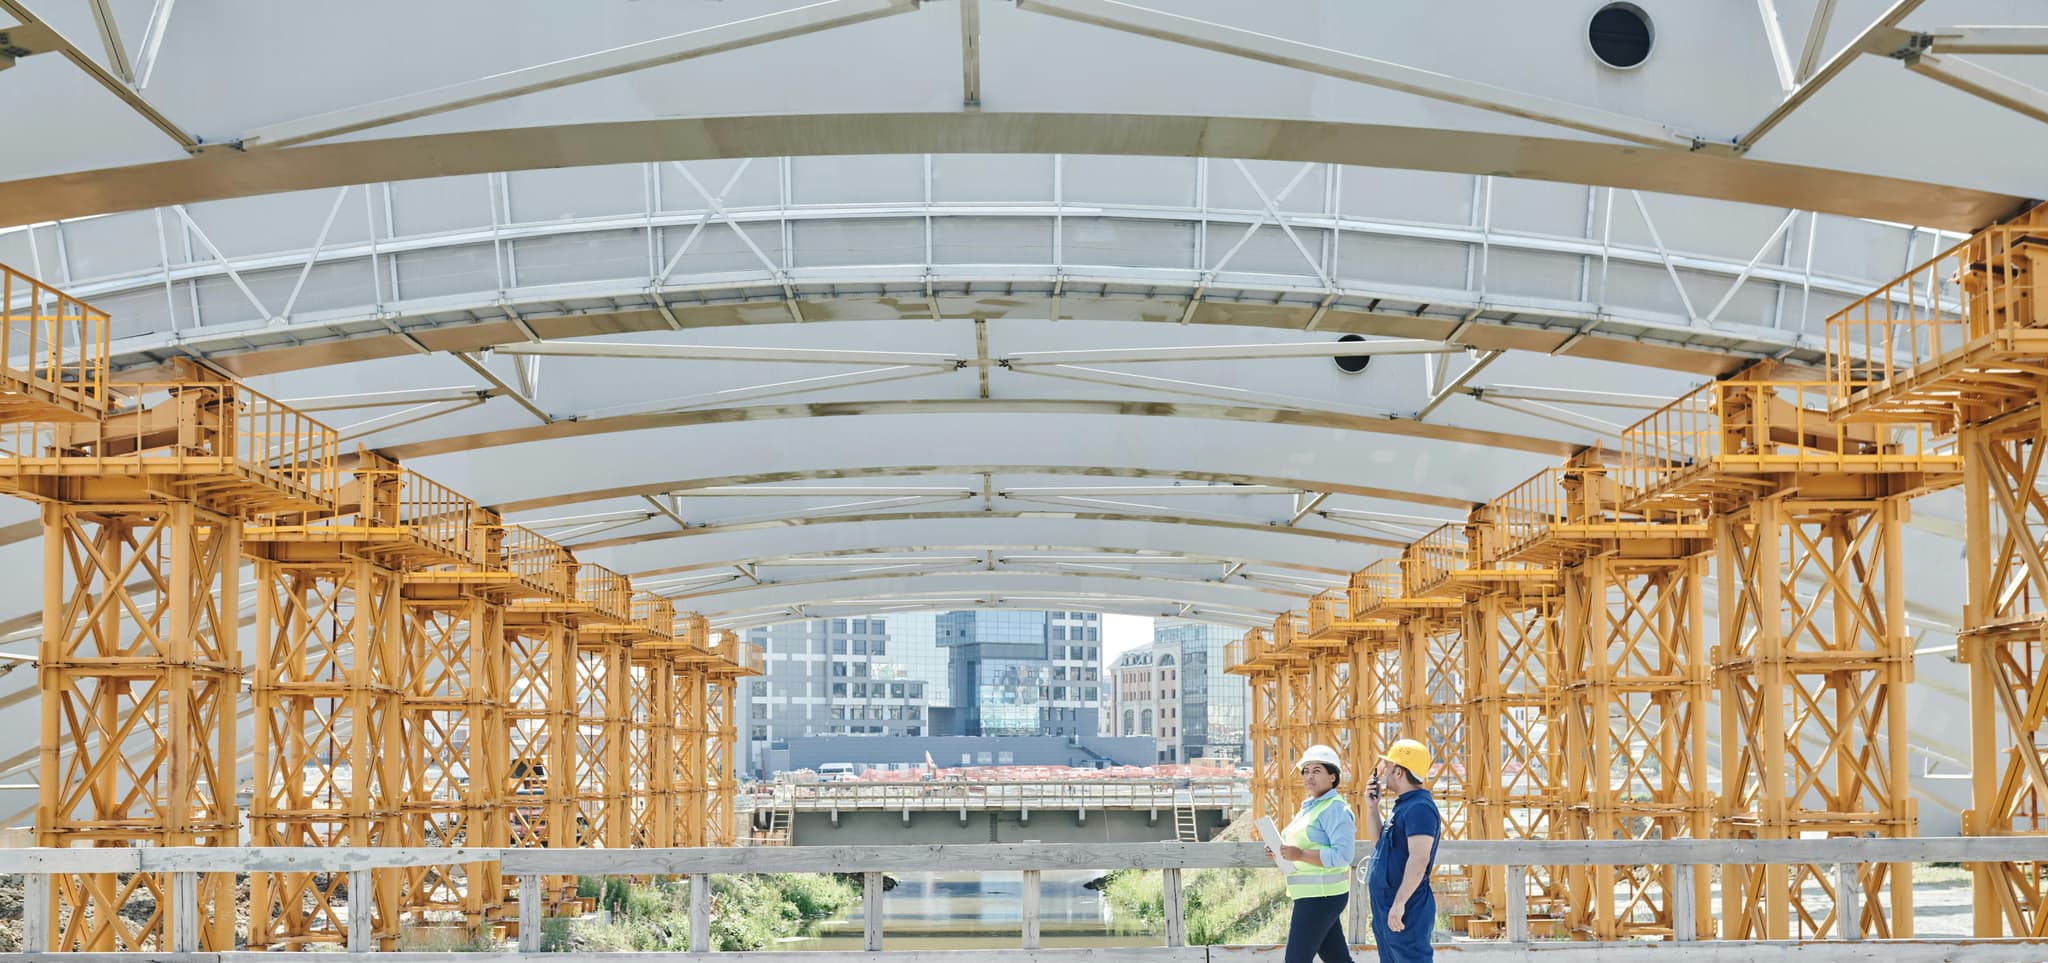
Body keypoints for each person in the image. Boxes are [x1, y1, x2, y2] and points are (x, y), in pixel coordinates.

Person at [1268, 744, 1356, 963]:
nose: (1309, 776)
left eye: (1316, 770)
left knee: (1296, 960)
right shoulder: (1310, 808)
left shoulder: (1335, 809)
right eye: (1306, 771)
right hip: (1313, 894)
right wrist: (1280, 851)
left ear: (1333, 777)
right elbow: (1300, 846)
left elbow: (1343, 856)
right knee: (1338, 959)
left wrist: (1298, 855)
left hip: (1322, 895)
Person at [1362, 738, 1440, 963]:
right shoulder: (1404, 806)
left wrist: (1399, 903)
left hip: (1407, 907)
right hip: (1388, 905)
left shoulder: (1419, 809)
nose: (1384, 773)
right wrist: (1372, 808)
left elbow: (1419, 859)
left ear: (1399, 772)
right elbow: (1379, 845)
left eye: (1388, 767)